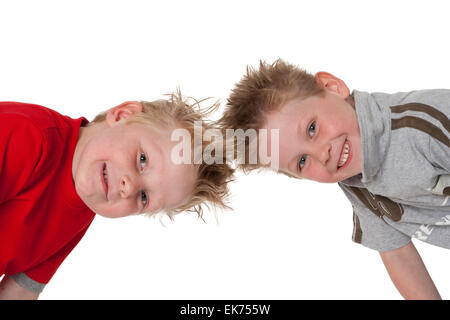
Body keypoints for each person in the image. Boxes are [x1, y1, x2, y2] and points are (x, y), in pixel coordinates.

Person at [218, 59, 450, 299]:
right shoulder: (356, 180)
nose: (321, 154)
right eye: (302, 161)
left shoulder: (424, 127)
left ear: (332, 87)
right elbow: (397, 254)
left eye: (311, 129)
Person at [0, 91, 234, 299]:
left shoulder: (82, 209)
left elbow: (19, 292)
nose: (129, 188)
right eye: (142, 159)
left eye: (144, 197)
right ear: (123, 115)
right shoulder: (28, 135)